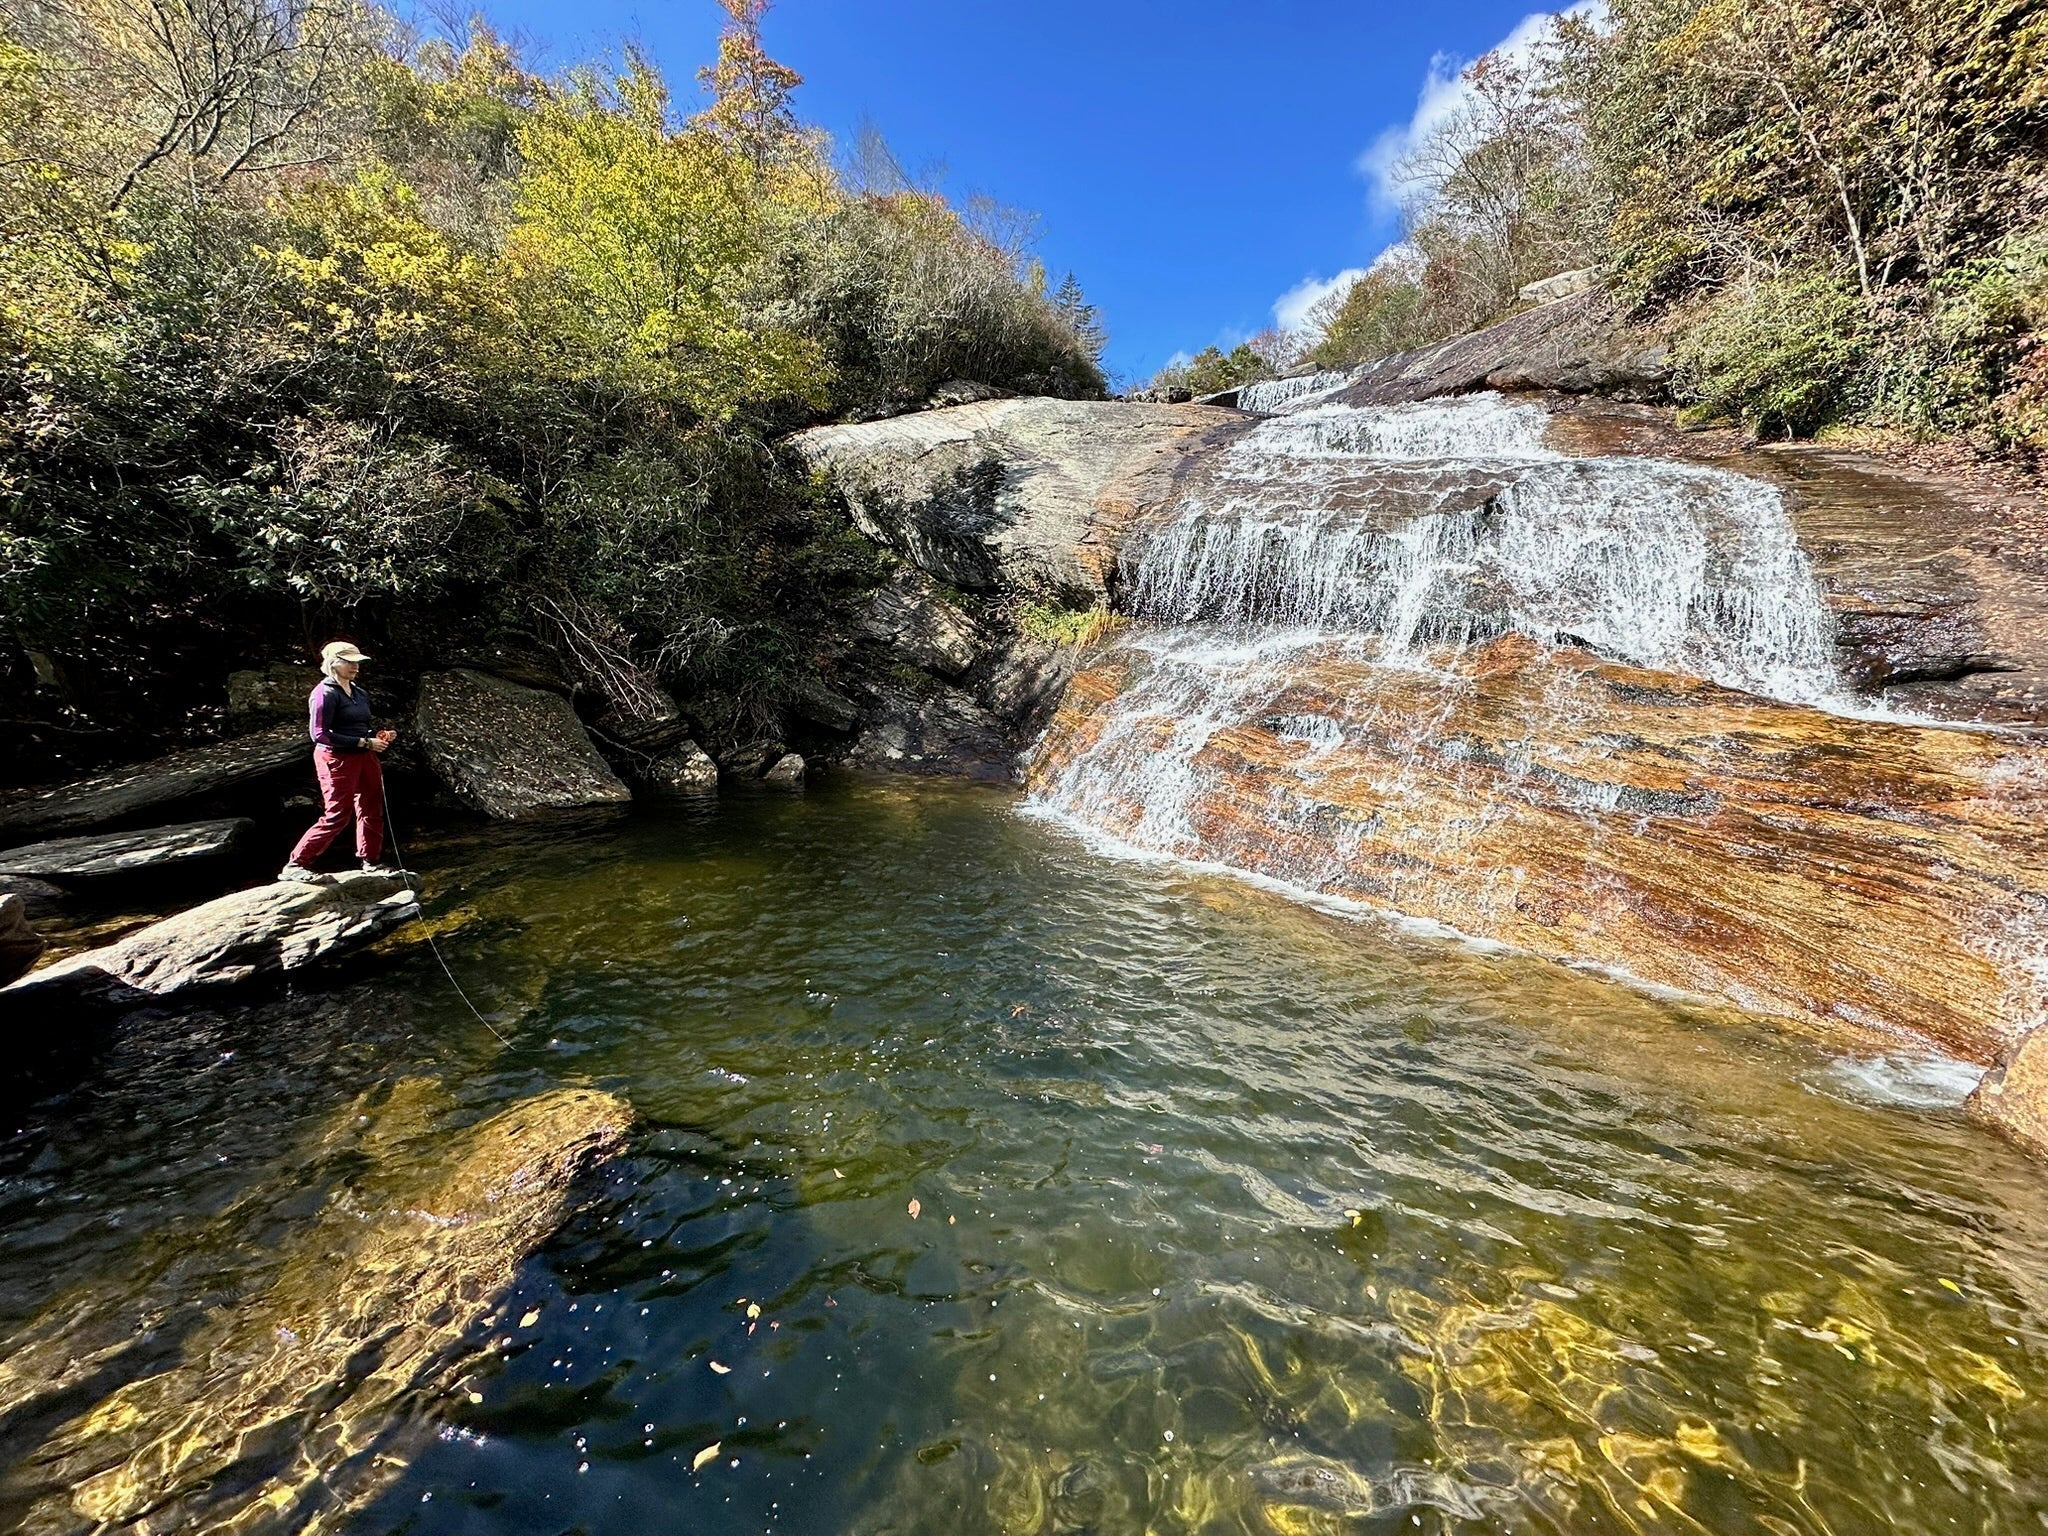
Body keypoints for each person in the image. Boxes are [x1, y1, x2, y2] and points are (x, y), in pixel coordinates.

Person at [279, 641, 401, 882]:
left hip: (365, 758)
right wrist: (364, 743)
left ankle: (371, 862)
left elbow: (360, 727)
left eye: (357, 661)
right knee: (337, 814)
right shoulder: (323, 694)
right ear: (333, 664)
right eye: (349, 661)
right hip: (335, 759)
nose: (355, 666)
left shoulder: (359, 693)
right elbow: (319, 735)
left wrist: (378, 737)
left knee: (371, 808)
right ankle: (296, 864)